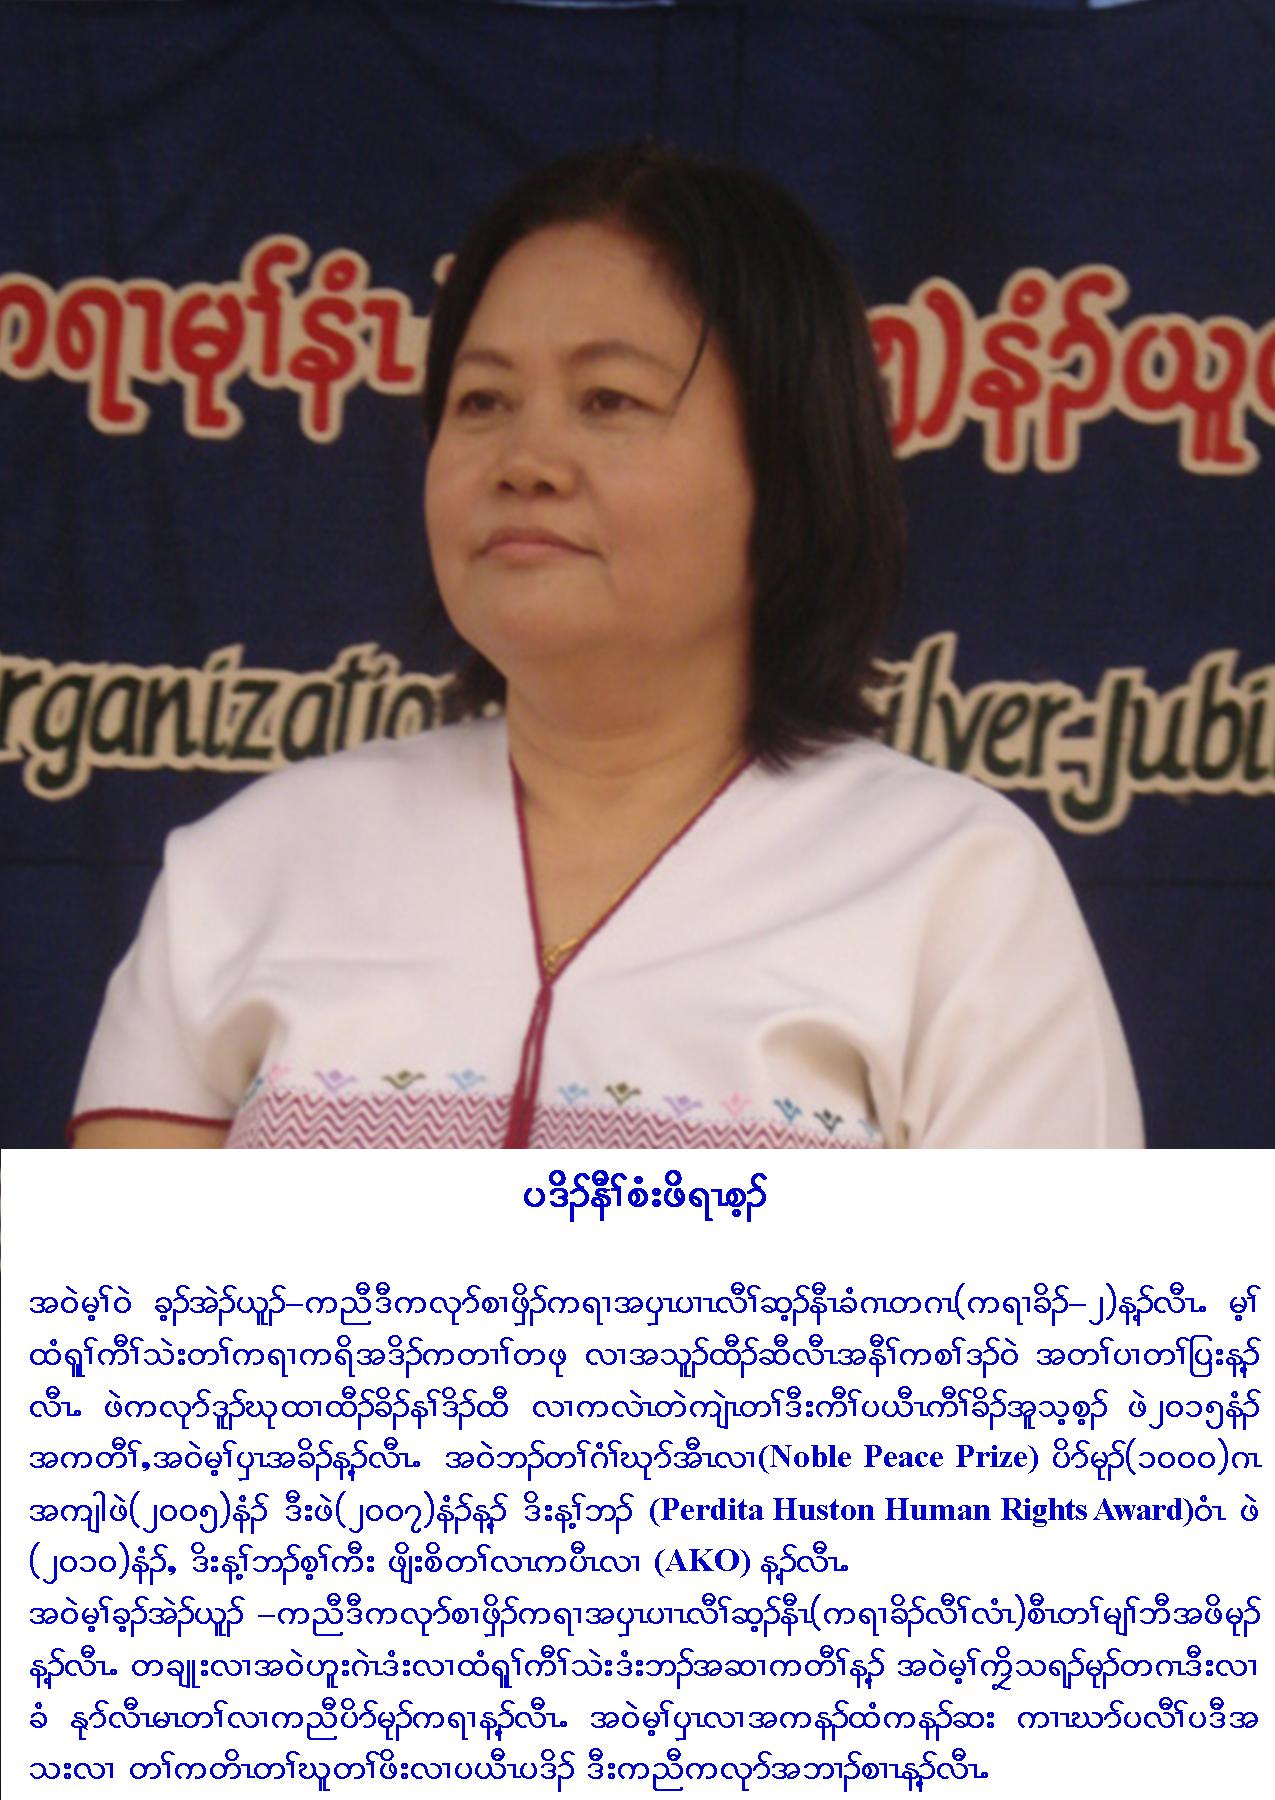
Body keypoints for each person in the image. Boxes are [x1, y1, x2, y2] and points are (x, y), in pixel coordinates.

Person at [71, 141, 1141, 1150]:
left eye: (608, 399)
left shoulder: (957, 889)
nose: (525, 457)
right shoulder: (248, 872)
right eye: (482, 400)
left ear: (789, 464)